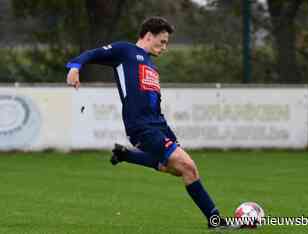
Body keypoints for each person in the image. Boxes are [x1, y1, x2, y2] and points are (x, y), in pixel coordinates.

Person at [66, 16, 236, 229]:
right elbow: (93, 54)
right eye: (162, 41)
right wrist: (74, 67)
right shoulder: (125, 51)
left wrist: (164, 128)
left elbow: (153, 100)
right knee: (189, 167)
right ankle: (216, 221)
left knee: (174, 169)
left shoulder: (151, 67)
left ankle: (125, 155)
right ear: (148, 36)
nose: (165, 47)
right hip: (141, 127)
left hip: (159, 124)